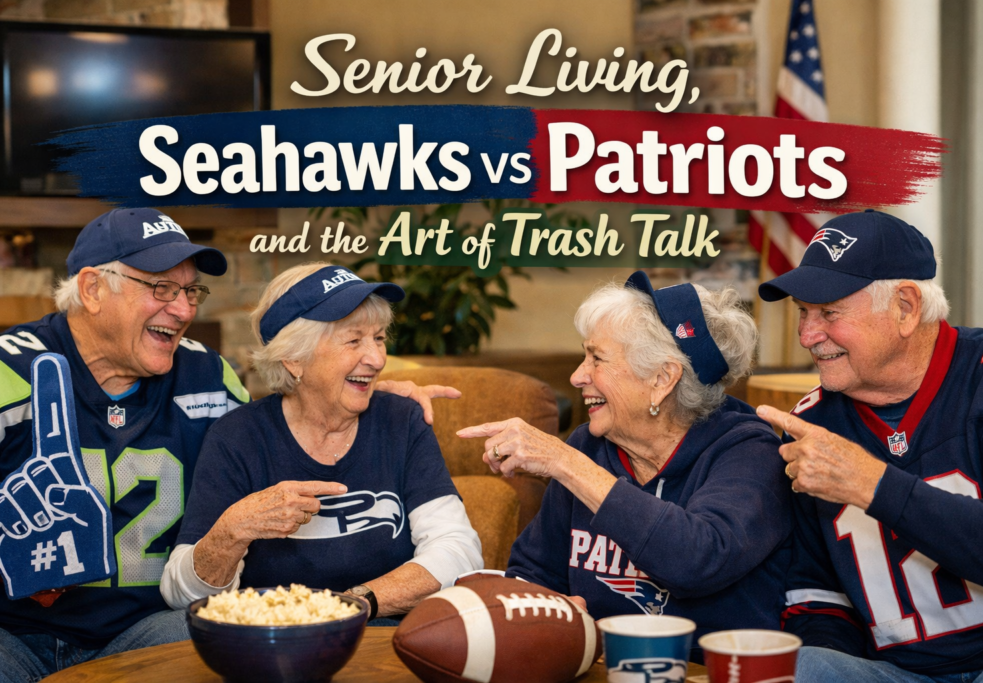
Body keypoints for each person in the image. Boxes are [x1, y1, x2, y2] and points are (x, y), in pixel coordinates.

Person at [0, 211, 452, 682]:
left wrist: (364, 392)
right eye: (161, 288)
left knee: (236, 634)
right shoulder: (9, 370)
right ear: (93, 289)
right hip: (12, 632)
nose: (184, 310)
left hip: (152, 627)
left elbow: (275, 430)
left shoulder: (206, 375)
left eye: (190, 291)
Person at [756, 210, 983, 682]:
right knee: (795, 669)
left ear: (905, 307)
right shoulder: (811, 422)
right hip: (899, 674)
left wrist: (871, 483)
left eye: (829, 312)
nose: (806, 335)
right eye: (803, 312)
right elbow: (815, 592)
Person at [459, 272, 792, 652]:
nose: (577, 375)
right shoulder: (590, 444)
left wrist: (565, 463)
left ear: (662, 378)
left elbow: (697, 559)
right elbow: (535, 571)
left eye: (596, 358)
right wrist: (551, 611)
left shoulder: (750, 451)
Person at [160, 263, 483, 622]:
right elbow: (180, 595)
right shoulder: (238, 437)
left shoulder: (401, 421)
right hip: (277, 649)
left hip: (390, 638)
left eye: (378, 338)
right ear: (294, 358)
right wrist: (232, 531)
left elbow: (458, 550)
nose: (377, 359)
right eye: (354, 340)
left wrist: (352, 604)